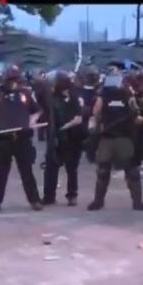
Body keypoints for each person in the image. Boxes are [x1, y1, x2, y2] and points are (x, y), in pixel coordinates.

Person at [0, 65, 43, 212]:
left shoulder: (26, 93)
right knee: (1, 173)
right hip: (2, 139)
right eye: (10, 79)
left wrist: (31, 123)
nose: (13, 82)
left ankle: (34, 200)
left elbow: (37, 111)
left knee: (26, 171)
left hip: (22, 138)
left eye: (15, 79)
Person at [87, 70, 143, 211]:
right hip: (115, 137)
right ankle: (135, 202)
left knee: (127, 171)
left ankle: (101, 202)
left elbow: (96, 114)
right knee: (112, 171)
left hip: (115, 137)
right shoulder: (125, 95)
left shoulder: (106, 95)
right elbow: (136, 114)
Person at [42, 72, 86, 206]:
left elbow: (78, 119)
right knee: (52, 168)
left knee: (71, 169)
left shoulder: (75, 98)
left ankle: (71, 195)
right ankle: (50, 196)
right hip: (57, 138)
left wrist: (63, 128)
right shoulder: (53, 98)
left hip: (71, 138)